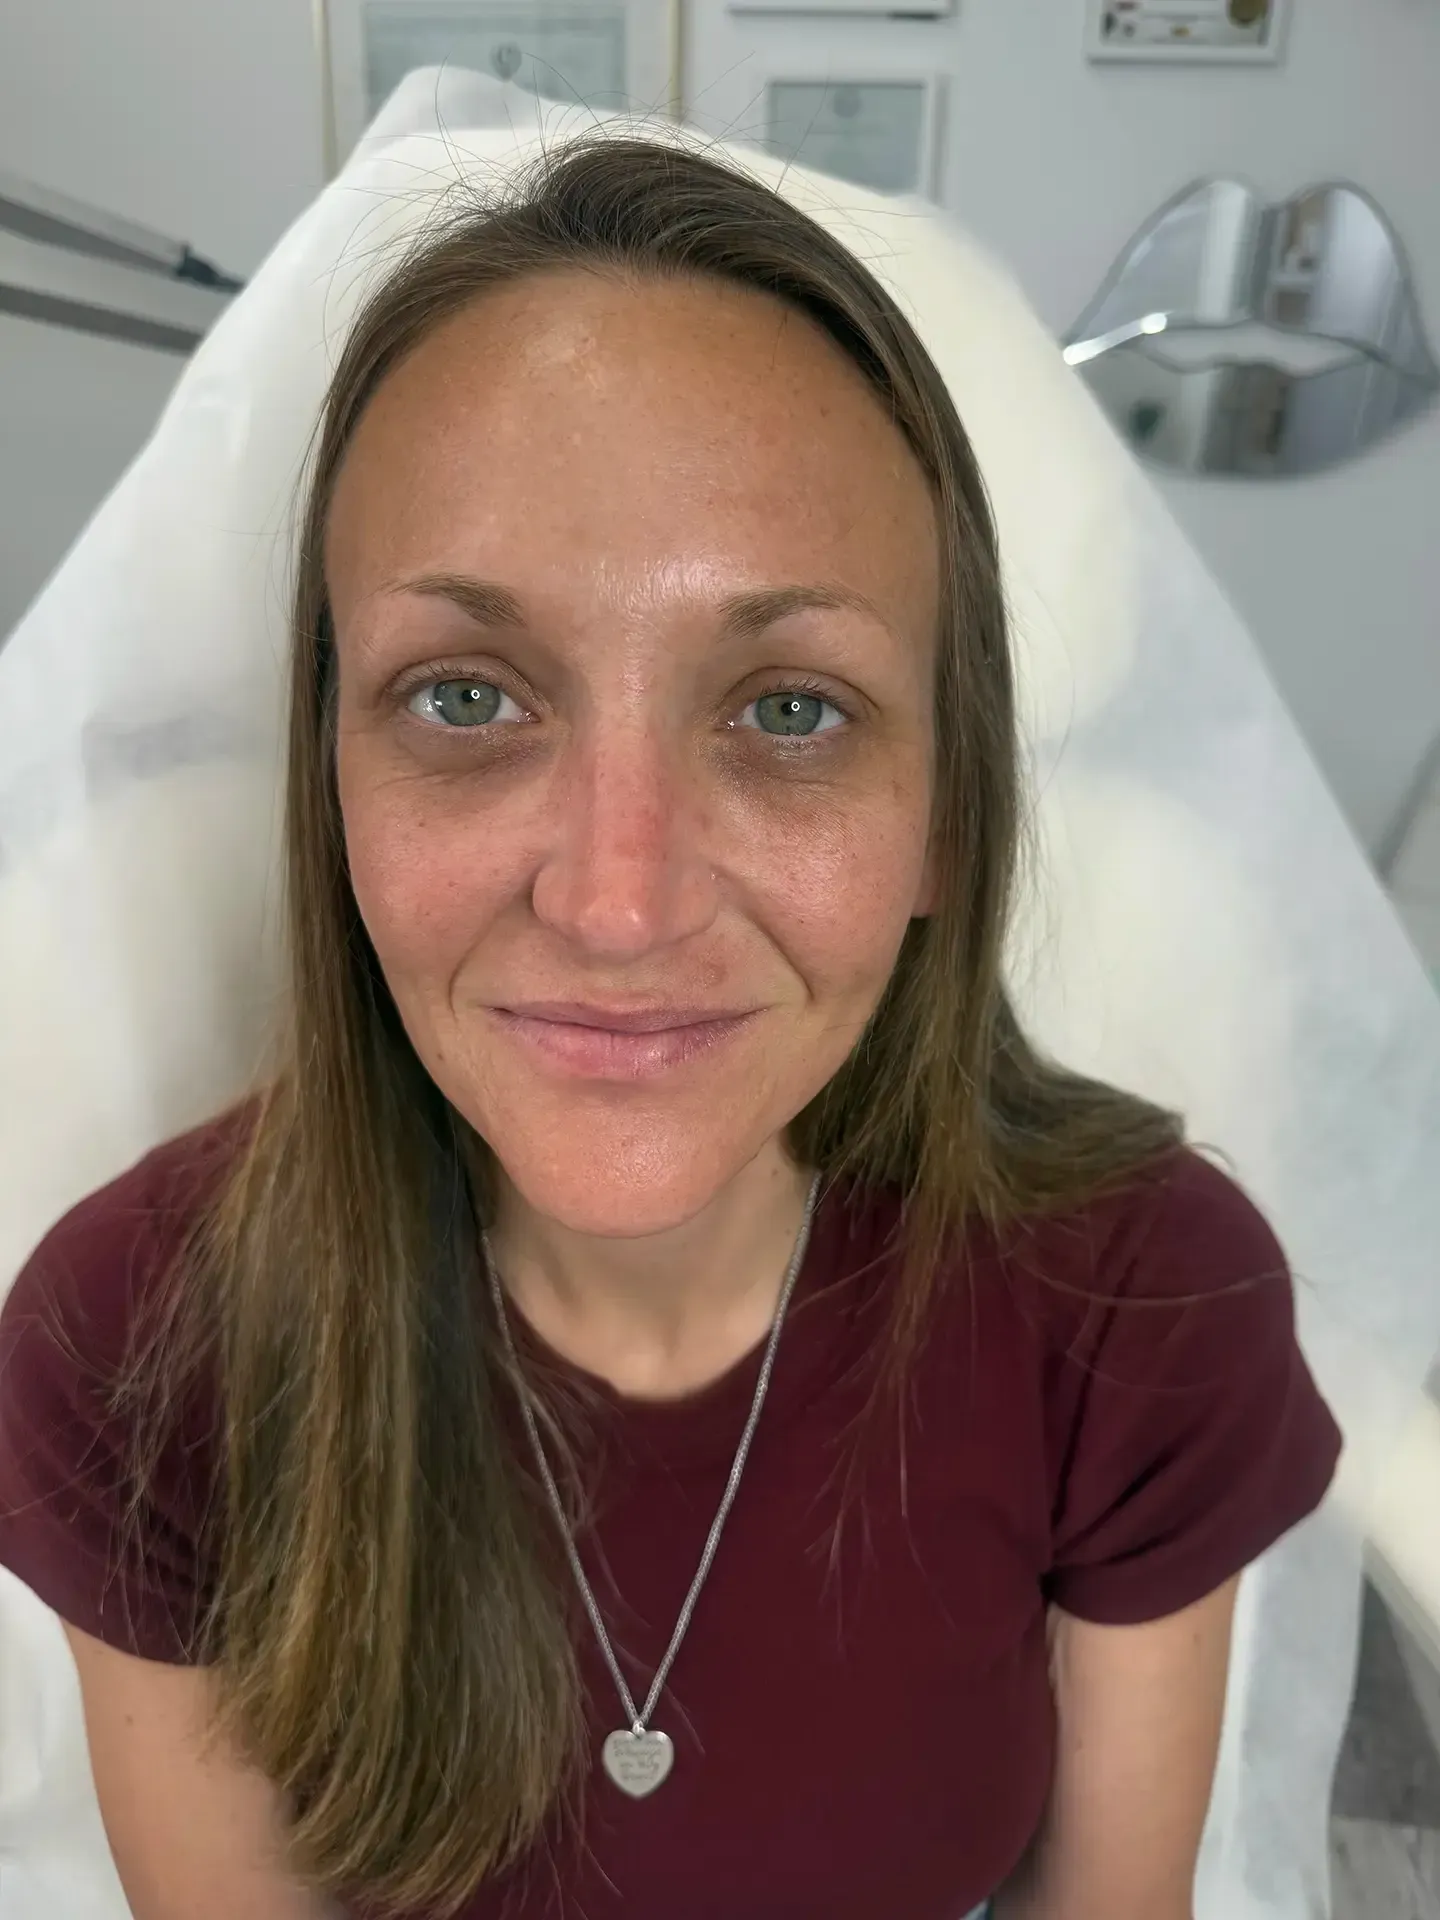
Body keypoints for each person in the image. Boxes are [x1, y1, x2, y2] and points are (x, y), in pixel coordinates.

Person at [0, 135, 1340, 1920]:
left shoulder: (1142, 1301)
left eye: (790, 707)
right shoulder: (131, 1344)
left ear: (949, 813)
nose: (619, 908)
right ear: (329, 786)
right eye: (464, 694)